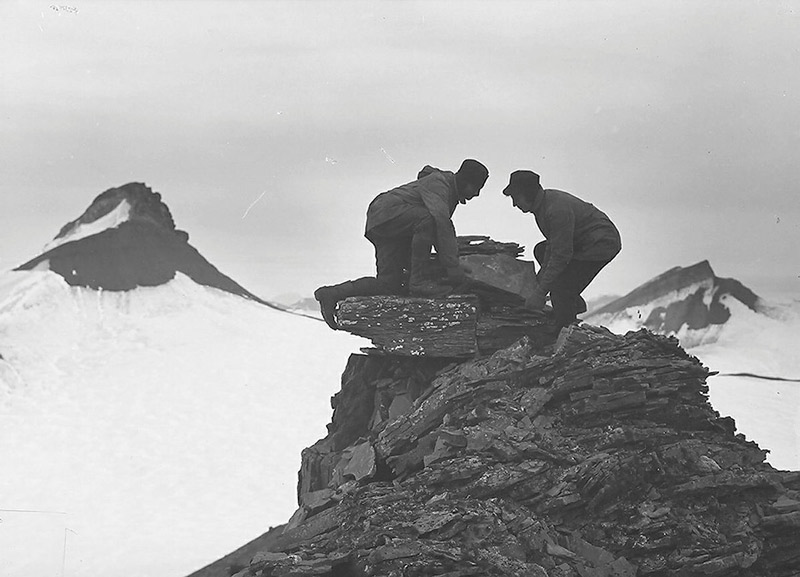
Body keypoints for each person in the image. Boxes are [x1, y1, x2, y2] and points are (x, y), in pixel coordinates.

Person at [314, 159, 489, 329]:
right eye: (476, 188)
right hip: (387, 214)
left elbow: (436, 231)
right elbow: (441, 223)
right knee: (427, 220)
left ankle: (331, 294)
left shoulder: (445, 190)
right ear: (465, 181)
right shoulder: (440, 184)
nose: (477, 194)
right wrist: (452, 267)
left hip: (387, 225)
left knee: (388, 285)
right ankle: (419, 282)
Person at [502, 170, 621, 330]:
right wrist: (540, 282)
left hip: (600, 243)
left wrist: (540, 292)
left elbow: (561, 255)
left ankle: (564, 330)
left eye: (516, 198)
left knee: (560, 286)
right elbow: (552, 246)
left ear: (527, 193)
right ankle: (571, 303)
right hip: (581, 241)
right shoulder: (542, 206)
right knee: (541, 250)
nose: (514, 204)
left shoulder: (556, 210)